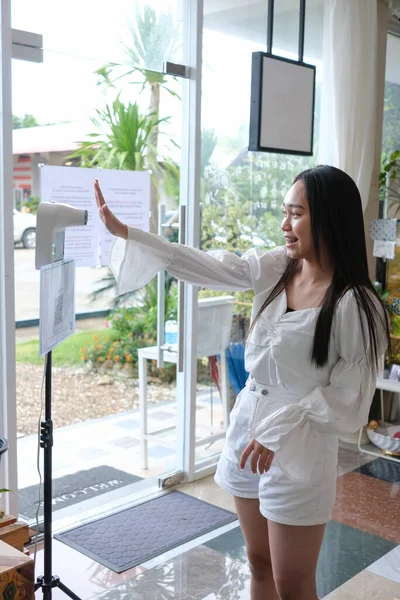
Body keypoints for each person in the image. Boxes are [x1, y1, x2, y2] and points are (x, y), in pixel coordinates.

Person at [94, 166, 390, 600]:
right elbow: (212, 266)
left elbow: (350, 400)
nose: (285, 225)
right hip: (247, 427)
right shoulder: (277, 268)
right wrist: (132, 235)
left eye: (296, 214)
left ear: (329, 218)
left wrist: (279, 428)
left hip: (299, 445)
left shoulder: (354, 304)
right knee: (258, 562)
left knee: (293, 583)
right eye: (284, 213)